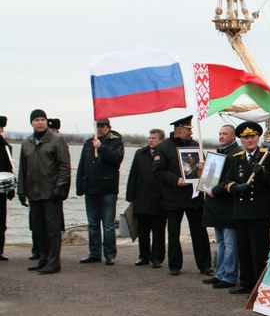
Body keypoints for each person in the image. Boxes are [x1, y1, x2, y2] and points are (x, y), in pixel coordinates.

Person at [223, 122, 270, 294]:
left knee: (259, 251)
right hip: (241, 211)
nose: (249, 140)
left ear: (258, 138)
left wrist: (264, 173)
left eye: (252, 137)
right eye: (246, 138)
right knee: (244, 250)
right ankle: (246, 283)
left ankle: (259, 285)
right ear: (241, 140)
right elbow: (227, 181)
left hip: (259, 211)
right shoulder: (236, 158)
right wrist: (236, 187)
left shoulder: (267, 157)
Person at [152, 115, 213, 277]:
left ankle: (205, 265)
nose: (191, 132)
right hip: (174, 196)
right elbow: (157, 171)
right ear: (179, 130)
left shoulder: (195, 145)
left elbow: (207, 172)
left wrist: (204, 166)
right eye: (188, 129)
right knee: (173, 233)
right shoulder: (164, 147)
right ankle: (174, 265)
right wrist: (175, 180)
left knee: (200, 232)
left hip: (194, 196)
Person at [17, 109, 71, 274]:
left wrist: (60, 187)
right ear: (31, 123)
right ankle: (43, 259)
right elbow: (23, 169)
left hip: (51, 193)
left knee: (52, 230)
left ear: (46, 121)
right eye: (36, 120)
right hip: (34, 193)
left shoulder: (57, 140)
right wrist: (21, 191)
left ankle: (53, 262)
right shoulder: (27, 143)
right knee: (38, 228)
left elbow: (64, 166)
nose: (40, 122)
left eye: (42, 119)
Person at [76, 118, 125, 265]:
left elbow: (116, 159)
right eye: (97, 126)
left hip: (108, 189)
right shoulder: (88, 143)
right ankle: (94, 253)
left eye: (102, 126)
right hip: (90, 189)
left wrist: (101, 147)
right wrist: (80, 187)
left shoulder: (116, 143)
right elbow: (82, 165)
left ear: (108, 127)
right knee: (93, 224)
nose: (99, 129)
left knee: (108, 225)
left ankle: (110, 254)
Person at [201, 124, 242, 289]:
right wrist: (203, 171)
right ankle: (220, 274)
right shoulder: (219, 153)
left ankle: (229, 276)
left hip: (228, 204)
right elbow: (212, 176)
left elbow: (231, 179)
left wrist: (215, 190)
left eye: (224, 134)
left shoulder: (236, 154)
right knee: (220, 242)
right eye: (220, 134)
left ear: (233, 136)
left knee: (230, 243)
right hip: (216, 206)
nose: (221, 136)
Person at [126, 128, 167, 267]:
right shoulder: (140, 153)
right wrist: (130, 195)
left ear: (161, 140)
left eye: (154, 138)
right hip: (142, 198)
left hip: (159, 199)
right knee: (143, 231)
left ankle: (157, 258)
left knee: (158, 231)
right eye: (150, 137)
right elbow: (133, 175)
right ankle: (143, 256)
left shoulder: (165, 154)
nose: (151, 140)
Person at [0, 116, 13, 261]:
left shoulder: (6, 147)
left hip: (1, 189)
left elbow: (9, 168)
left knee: (1, 222)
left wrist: (10, 189)